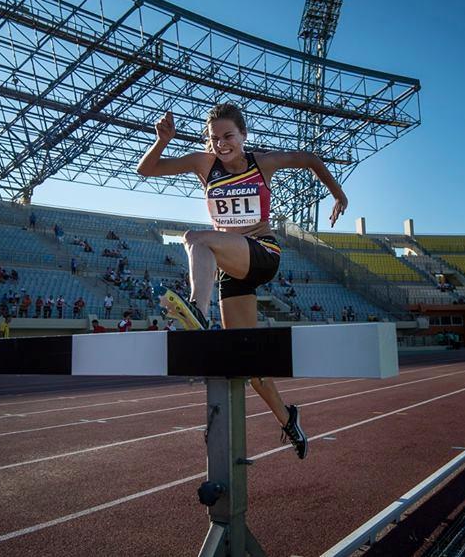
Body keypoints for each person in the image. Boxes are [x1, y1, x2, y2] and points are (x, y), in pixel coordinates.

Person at [136, 104, 349, 460]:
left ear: (243, 135)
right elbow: (146, 169)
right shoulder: (204, 164)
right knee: (246, 360)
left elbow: (310, 158)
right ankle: (288, 419)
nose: (221, 144)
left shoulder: (261, 163)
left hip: (263, 253)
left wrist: (338, 194)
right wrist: (162, 141)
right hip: (232, 267)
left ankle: (197, 313)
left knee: (195, 238)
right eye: (214, 138)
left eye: (228, 136)